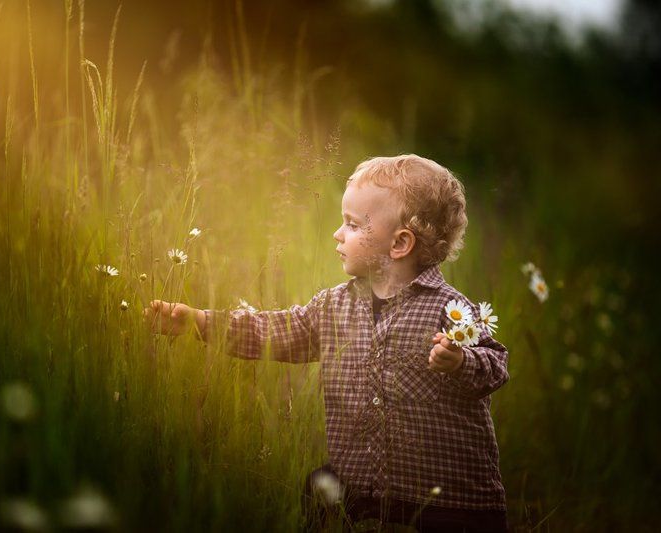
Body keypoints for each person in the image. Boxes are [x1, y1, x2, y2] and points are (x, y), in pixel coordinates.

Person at [143, 155, 510, 532]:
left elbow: (495, 365)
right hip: (363, 480)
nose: (338, 233)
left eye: (352, 224)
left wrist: (460, 361)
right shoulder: (334, 306)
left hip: (446, 497)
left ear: (400, 243)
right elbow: (275, 332)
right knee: (320, 491)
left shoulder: (448, 309)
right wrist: (201, 321)